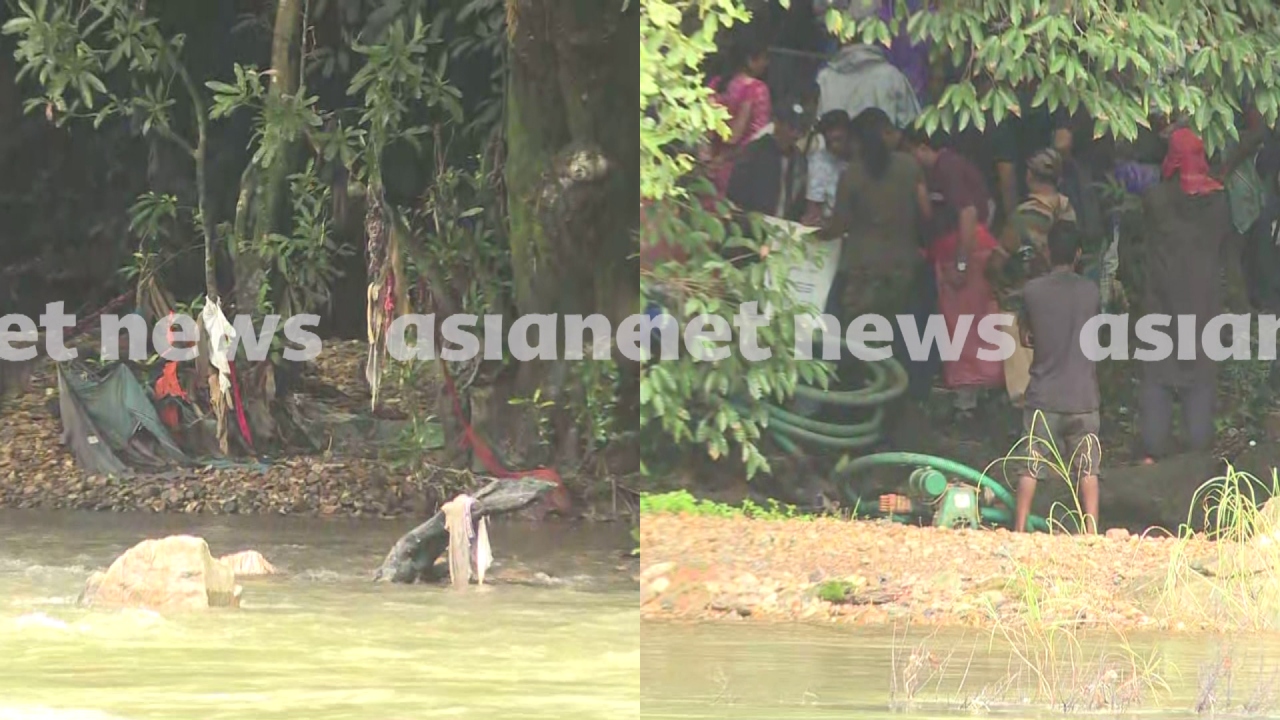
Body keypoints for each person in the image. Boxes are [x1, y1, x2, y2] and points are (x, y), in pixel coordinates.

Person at [1139, 128, 1230, 463]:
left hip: (1160, 313)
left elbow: (1137, 250)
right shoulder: (1219, 202)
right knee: (1200, 383)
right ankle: (1196, 458)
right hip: (1203, 313)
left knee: (1157, 382)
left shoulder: (1155, 199)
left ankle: (1154, 453)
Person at [908, 130, 1004, 417]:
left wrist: (961, 264)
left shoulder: (947, 168)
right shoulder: (949, 169)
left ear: (922, 146)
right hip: (965, 250)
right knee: (976, 326)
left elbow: (968, 214)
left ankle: (967, 401)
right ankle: (978, 392)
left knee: (963, 329)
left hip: (964, 254)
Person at [1014, 222, 1101, 534]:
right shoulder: (1091, 292)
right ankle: (1091, 532)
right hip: (1083, 396)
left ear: (1048, 252)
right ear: (1078, 254)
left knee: (1031, 465)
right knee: (1088, 468)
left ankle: (1020, 528)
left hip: (1044, 395)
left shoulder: (1032, 291)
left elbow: (1025, 338)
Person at [995, 148, 1077, 407]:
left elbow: (998, 260)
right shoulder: (1069, 210)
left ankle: (1026, 407)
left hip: (1027, 303)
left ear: (1029, 175)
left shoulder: (1024, 216)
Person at [707, 34, 773, 197]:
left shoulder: (715, 83)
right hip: (737, 169)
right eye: (763, 58)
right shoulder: (758, 90)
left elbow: (702, 124)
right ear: (750, 60)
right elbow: (757, 137)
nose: (766, 64)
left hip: (707, 166)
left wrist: (707, 159)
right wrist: (725, 158)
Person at [726, 101, 812, 220]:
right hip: (754, 223)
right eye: (792, 127)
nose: (796, 134)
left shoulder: (800, 160)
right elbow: (736, 193)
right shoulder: (754, 152)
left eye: (800, 129)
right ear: (777, 123)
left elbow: (799, 200)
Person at [816, 41, 921, 132]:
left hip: (833, 152)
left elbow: (819, 121)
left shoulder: (826, 77)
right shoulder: (891, 75)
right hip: (883, 153)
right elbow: (910, 125)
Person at [803, 110, 852, 225]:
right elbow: (813, 210)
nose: (834, 146)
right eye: (829, 141)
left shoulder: (860, 159)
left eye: (838, 140)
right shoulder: (819, 163)